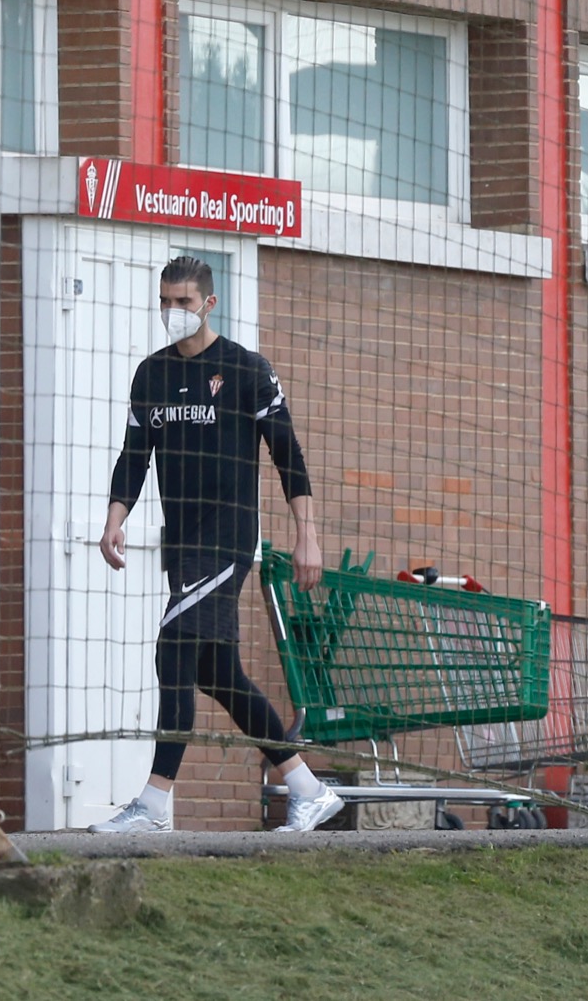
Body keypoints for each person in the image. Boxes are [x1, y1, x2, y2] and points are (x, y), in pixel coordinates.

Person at [90, 255, 342, 834]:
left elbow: (289, 458)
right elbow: (134, 457)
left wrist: (308, 536)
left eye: (183, 302)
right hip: (180, 545)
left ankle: (153, 805)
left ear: (209, 303)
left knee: (172, 649)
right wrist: (114, 519)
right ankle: (308, 788)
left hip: (227, 540)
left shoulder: (246, 369)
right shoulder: (150, 376)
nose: (172, 312)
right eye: (165, 301)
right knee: (218, 673)